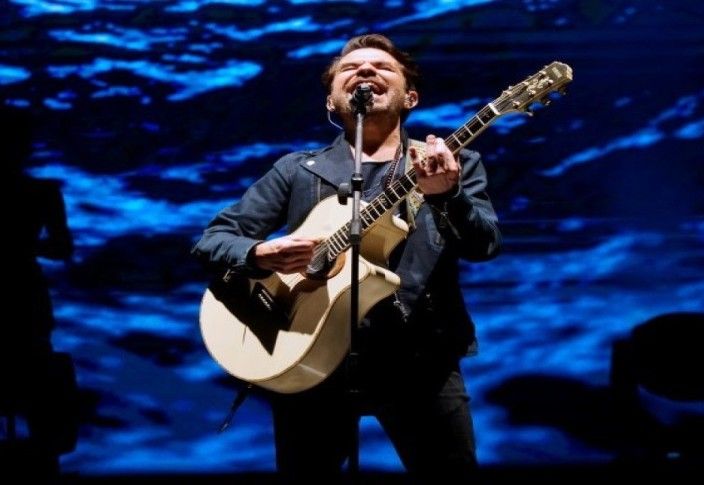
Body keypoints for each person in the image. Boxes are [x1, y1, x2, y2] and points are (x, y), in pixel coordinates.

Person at [192, 33, 501, 483]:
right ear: (331, 101)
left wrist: (447, 196)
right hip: (309, 352)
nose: (366, 70)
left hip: (420, 360)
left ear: (410, 97)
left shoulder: (452, 162)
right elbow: (214, 240)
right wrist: (259, 253)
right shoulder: (297, 170)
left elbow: (484, 246)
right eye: (350, 69)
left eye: (383, 67)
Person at [1, 104, 76, 477]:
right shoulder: (43, 192)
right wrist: (25, 246)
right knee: (37, 380)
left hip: (23, 293)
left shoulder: (44, 192)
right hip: (26, 290)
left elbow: (62, 248)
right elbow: (62, 248)